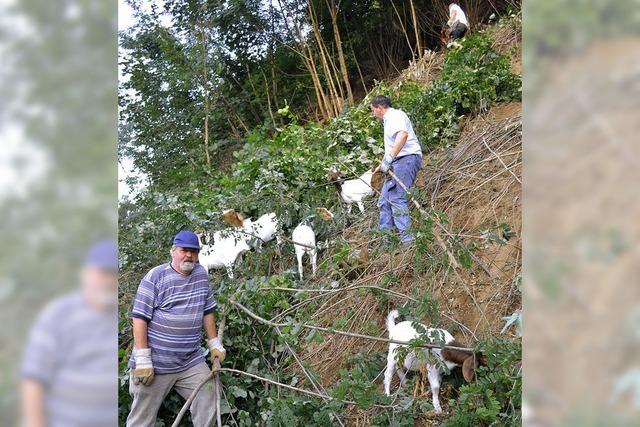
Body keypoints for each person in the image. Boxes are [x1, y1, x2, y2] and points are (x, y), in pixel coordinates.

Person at [126, 230, 226, 427]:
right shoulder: (155, 276)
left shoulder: (201, 274)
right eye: (184, 250)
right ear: (173, 251)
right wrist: (143, 359)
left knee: (208, 396)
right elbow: (139, 318)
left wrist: (214, 343)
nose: (189, 255)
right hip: (156, 363)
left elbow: (207, 310)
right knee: (141, 419)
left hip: (190, 361)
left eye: (194, 251)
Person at [21, 240, 118, 427]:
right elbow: (33, 378)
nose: (109, 280)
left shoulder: (118, 315)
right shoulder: (58, 314)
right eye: (103, 273)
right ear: (86, 274)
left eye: (114, 274)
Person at [371, 95, 423, 245]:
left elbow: (403, 135)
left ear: (380, 108)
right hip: (398, 162)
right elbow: (393, 147)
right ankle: (387, 244)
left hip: (406, 159)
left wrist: (389, 160)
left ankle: (409, 242)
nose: (373, 114)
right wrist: (382, 166)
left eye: (373, 110)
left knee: (396, 197)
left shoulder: (394, 116)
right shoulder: (389, 120)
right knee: (384, 200)